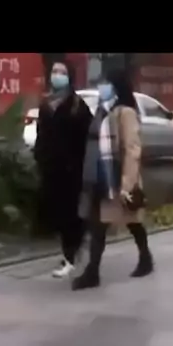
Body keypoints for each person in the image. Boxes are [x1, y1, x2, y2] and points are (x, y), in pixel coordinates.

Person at [73, 69, 154, 290]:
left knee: (130, 220)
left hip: (116, 178)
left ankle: (142, 259)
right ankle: (95, 271)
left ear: (116, 87)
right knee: (100, 224)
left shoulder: (125, 112)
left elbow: (132, 148)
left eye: (106, 83)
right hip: (101, 176)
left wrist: (128, 184)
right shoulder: (103, 110)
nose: (102, 87)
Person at [34, 60, 92, 279]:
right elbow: (41, 135)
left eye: (62, 72)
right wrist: (40, 157)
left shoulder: (77, 106)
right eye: (54, 71)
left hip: (72, 171)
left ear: (70, 77)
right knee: (58, 214)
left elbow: (86, 139)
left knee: (71, 214)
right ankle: (72, 251)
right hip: (51, 170)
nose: (57, 75)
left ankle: (70, 256)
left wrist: (77, 164)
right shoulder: (46, 104)